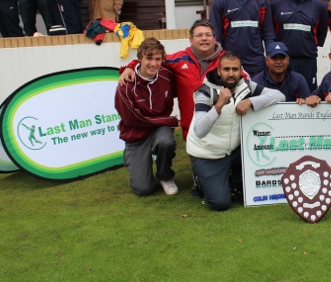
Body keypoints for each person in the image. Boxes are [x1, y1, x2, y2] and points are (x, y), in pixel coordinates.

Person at [120, 19, 226, 198]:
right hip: (193, 130)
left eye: (208, 35)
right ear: (191, 39)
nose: (204, 38)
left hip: (221, 125)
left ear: (215, 38)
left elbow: (243, 79)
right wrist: (128, 67)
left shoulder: (227, 60)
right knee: (144, 188)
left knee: (219, 178)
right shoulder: (177, 59)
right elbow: (151, 60)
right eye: (199, 35)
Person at [186, 52, 285, 211]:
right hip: (207, 153)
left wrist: (251, 101)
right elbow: (199, 130)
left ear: (241, 71)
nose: (231, 74)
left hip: (233, 151)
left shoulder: (246, 85)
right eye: (226, 69)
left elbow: (279, 95)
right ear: (219, 71)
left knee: (260, 153)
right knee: (221, 203)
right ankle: (199, 179)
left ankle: (231, 182)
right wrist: (218, 105)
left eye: (235, 69)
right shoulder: (205, 92)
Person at [114, 37, 179, 196]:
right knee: (143, 189)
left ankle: (165, 176)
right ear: (139, 59)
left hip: (159, 129)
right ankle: (136, 159)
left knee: (165, 142)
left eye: (158, 59)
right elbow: (132, 120)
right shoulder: (126, 84)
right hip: (136, 134)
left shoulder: (166, 75)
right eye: (149, 58)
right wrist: (169, 120)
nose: (153, 63)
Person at [210, 0, 275, 78]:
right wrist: (219, 62)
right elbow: (216, 35)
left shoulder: (261, 0)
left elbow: (268, 34)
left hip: (256, 64)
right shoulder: (220, 1)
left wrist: (271, 59)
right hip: (231, 65)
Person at [271, 0, 328, 91]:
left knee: (308, 97)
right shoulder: (276, 4)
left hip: (308, 61)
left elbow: (320, 33)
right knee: (283, 97)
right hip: (283, 61)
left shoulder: (319, 6)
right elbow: (271, 32)